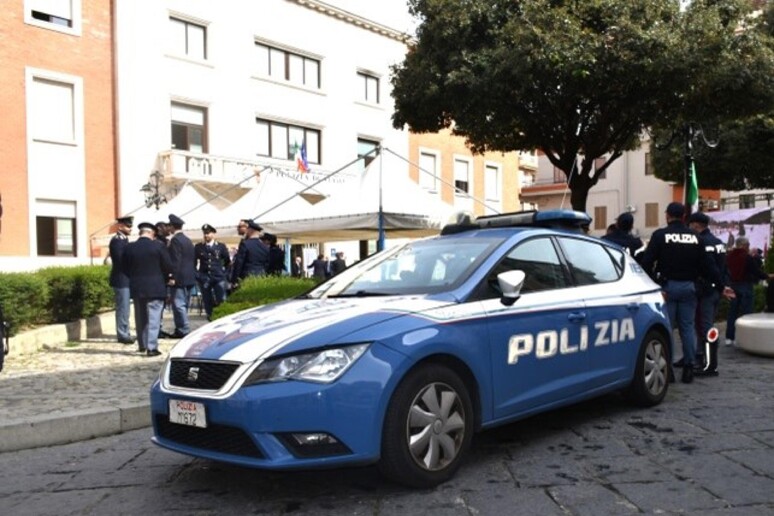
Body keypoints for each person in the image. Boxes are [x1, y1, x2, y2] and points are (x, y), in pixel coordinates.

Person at [639, 202, 733, 384]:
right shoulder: (696, 237)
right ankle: (689, 367)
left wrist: (653, 284)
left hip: (667, 288)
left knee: (667, 329)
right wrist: (722, 287)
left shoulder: (660, 235)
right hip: (689, 288)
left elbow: (646, 263)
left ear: (667, 215)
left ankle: (668, 370)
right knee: (687, 328)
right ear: (684, 217)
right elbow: (709, 267)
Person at [123, 222, 174, 356]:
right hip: (156, 287)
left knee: (140, 318)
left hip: (137, 286)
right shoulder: (158, 246)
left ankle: (142, 344)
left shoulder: (130, 247)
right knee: (154, 318)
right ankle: (151, 347)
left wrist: (134, 277)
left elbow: (124, 268)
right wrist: (166, 278)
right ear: (151, 233)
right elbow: (167, 266)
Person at [687, 211, 727, 376]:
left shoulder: (701, 242)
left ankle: (710, 366)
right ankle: (700, 356)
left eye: (690, 225)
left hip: (706, 290)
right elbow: (724, 268)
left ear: (696, 225)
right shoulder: (718, 242)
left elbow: (710, 268)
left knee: (705, 328)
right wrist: (722, 286)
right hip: (715, 290)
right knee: (705, 325)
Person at [725, 236, 774, 347]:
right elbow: (756, 272)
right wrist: (768, 276)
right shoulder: (747, 257)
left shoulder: (729, 256)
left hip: (732, 286)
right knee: (747, 314)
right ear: (743, 245)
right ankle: (746, 339)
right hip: (745, 286)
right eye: (748, 245)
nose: (748, 247)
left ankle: (729, 338)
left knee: (732, 312)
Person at [166, 214, 196, 338]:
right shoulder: (187, 240)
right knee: (184, 304)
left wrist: (172, 276)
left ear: (172, 227)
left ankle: (183, 329)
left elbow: (176, 260)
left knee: (179, 305)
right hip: (189, 277)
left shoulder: (175, 240)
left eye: (169, 226)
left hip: (180, 277)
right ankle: (182, 327)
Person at [107, 215, 135, 345]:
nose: (130, 228)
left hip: (126, 278)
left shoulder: (124, 240)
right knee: (123, 308)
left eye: (130, 226)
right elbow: (120, 261)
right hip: (121, 278)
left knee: (126, 309)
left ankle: (125, 332)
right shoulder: (117, 241)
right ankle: (123, 334)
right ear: (120, 226)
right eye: (128, 226)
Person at [194, 224, 231, 321]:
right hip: (204, 278)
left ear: (213, 234)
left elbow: (227, 262)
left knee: (222, 299)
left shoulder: (221, 246)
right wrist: (198, 276)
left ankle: (223, 318)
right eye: (204, 233)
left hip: (218, 277)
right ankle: (210, 318)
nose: (206, 235)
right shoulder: (199, 247)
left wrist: (225, 274)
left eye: (208, 233)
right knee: (207, 300)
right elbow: (193, 263)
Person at [230, 219, 269, 285]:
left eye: (247, 229)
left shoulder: (245, 244)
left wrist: (234, 280)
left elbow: (239, 263)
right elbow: (267, 263)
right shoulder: (264, 246)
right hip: (261, 276)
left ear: (250, 230)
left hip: (247, 277)